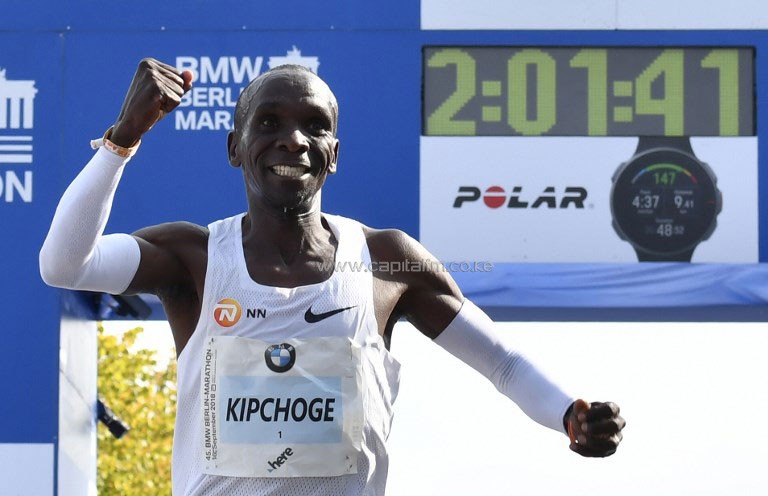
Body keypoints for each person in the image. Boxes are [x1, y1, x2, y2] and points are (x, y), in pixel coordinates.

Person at [40, 58, 625, 495]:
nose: (292, 139)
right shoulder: (193, 258)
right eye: (267, 122)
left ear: (334, 152)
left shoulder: (388, 261)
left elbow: (504, 364)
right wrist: (123, 138)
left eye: (313, 126)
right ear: (235, 148)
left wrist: (567, 413)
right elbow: (65, 265)